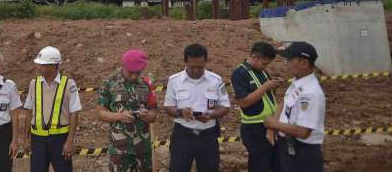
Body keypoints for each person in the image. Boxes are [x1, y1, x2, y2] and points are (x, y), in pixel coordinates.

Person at [164, 44, 230, 172]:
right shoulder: (174, 80)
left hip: (208, 135)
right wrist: (180, 112)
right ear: (185, 61)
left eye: (199, 67)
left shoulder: (215, 80)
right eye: (192, 66)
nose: (195, 70)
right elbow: (168, 107)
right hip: (182, 135)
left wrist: (210, 116)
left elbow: (225, 107)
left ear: (205, 61)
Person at [264, 42, 325, 172]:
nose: (286, 63)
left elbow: (303, 132)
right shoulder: (298, 82)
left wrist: (273, 124)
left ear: (304, 63)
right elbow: (284, 102)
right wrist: (272, 128)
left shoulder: (310, 92)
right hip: (288, 146)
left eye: (290, 59)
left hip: (303, 153)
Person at [97, 49, 158, 172]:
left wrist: (144, 115)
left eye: (138, 72)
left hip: (143, 148)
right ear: (123, 67)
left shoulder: (146, 84)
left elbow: (153, 114)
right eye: (131, 72)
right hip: (120, 149)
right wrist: (119, 116)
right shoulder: (109, 84)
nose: (134, 76)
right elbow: (100, 113)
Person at [24, 46, 81, 172]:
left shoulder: (69, 84)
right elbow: (28, 111)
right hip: (37, 139)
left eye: (42, 65)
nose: (38, 67)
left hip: (60, 139)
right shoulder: (34, 84)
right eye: (38, 64)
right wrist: (26, 139)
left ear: (55, 65)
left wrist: (69, 141)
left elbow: (74, 113)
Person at [231, 42, 284, 172]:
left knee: (276, 164)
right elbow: (243, 102)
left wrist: (273, 87)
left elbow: (266, 97)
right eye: (264, 63)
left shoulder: (262, 71)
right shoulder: (240, 73)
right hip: (254, 128)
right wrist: (266, 87)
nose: (265, 66)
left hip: (271, 124)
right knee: (260, 165)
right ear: (254, 57)